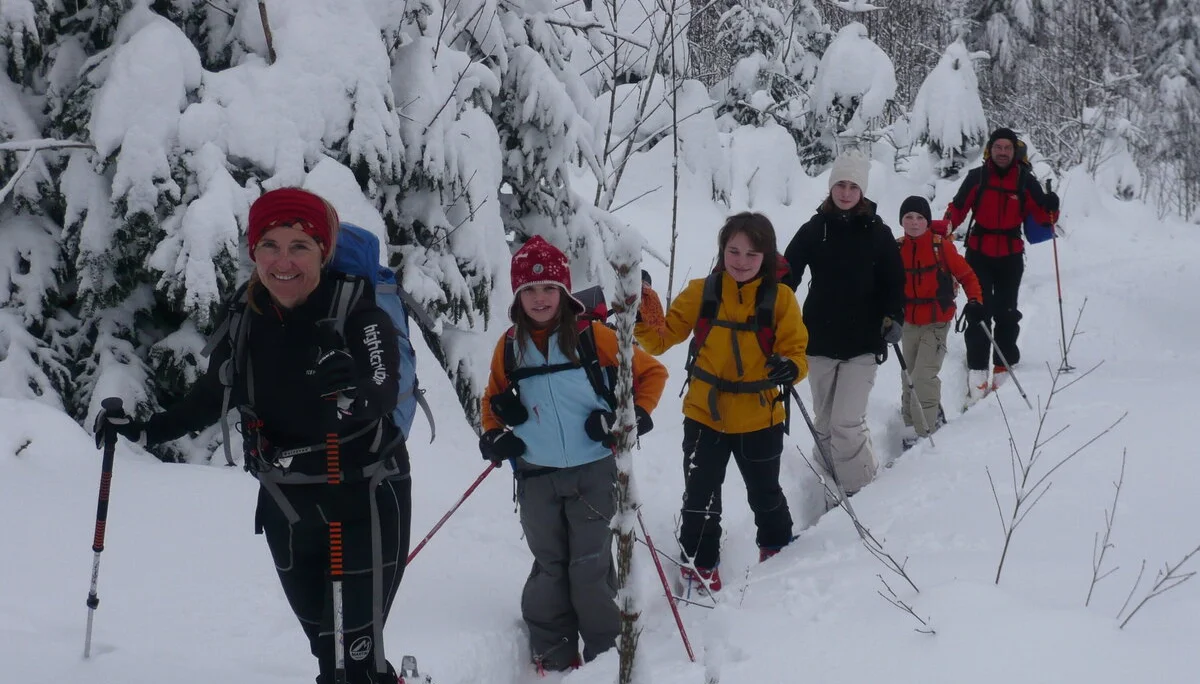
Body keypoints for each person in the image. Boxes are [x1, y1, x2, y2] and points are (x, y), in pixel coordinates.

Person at [93, 188, 411, 684]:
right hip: (286, 504)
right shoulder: (246, 317)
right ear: (253, 251)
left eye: (300, 246)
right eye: (271, 245)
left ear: (323, 252)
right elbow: (210, 397)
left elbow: (383, 386)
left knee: (348, 663)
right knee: (330, 649)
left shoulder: (357, 310)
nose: (284, 261)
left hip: (361, 496)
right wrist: (143, 429)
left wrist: (353, 392)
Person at [479, 236, 668, 674]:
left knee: (589, 566)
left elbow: (651, 373)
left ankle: (606, 654)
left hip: (594, 471)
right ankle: (553, 652)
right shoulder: (509, 346)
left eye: (549, 289)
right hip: (535, 474)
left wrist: (628, 417)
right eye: (529, 290)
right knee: (550, 566)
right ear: (517, 296)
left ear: (564, 293)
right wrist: (495, 435)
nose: (540, 298)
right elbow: (491, 401)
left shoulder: (591, 336)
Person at [635, 212, 808, 594]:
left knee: (765, 493)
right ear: (722, 251)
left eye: (751, 253)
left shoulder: (781, 299)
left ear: (766, 256)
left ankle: (777, 553)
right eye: (734, 251)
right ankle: (700, 566)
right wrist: (640, 310)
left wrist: (790, 368)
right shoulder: (702, 291)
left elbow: (797, 352)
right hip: (704, 415)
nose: (741, 261)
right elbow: (662, 339)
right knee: (700, 496)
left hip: (760, 415)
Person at [781, 150, 904, 500]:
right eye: (840, 185)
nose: (846, 192)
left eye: (853, 186)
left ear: (862, 191)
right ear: (831, 187)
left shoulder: (878, 233)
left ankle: (862, 494)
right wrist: (772, 308)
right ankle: (831, 489)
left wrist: (894, 317)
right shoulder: (814, 229)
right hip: (818, 338)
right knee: (823, 424)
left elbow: (894, 283)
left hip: (863, 342)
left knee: (845, 423)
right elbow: (788, 273)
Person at [943, 127, 1059, 404]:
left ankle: (1003, 363)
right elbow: (957, 208)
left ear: (1014, 151)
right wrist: (943, 229)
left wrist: (1052, 205)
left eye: (1007, 148)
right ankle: (977, 365)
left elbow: (1044, 215)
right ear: (990, 150)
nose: (1003, 152)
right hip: (979, 253)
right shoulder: (977, 177)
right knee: (978, 310)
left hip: (1010, 254)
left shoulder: (1025, 180)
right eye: (998, 148)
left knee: (1006, 312)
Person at [894, 196, 983, 448]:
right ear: (901, 220)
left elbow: (966, 275)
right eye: (908, 217)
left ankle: (927, 432)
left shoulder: (940, 247)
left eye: (920, 217)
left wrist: (975, 301)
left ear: (927, 221)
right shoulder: (896, 248)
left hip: (936, 322)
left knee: (923, 376)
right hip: (909, 322)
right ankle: (910, 424)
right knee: (908, 375)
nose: (914, 223)